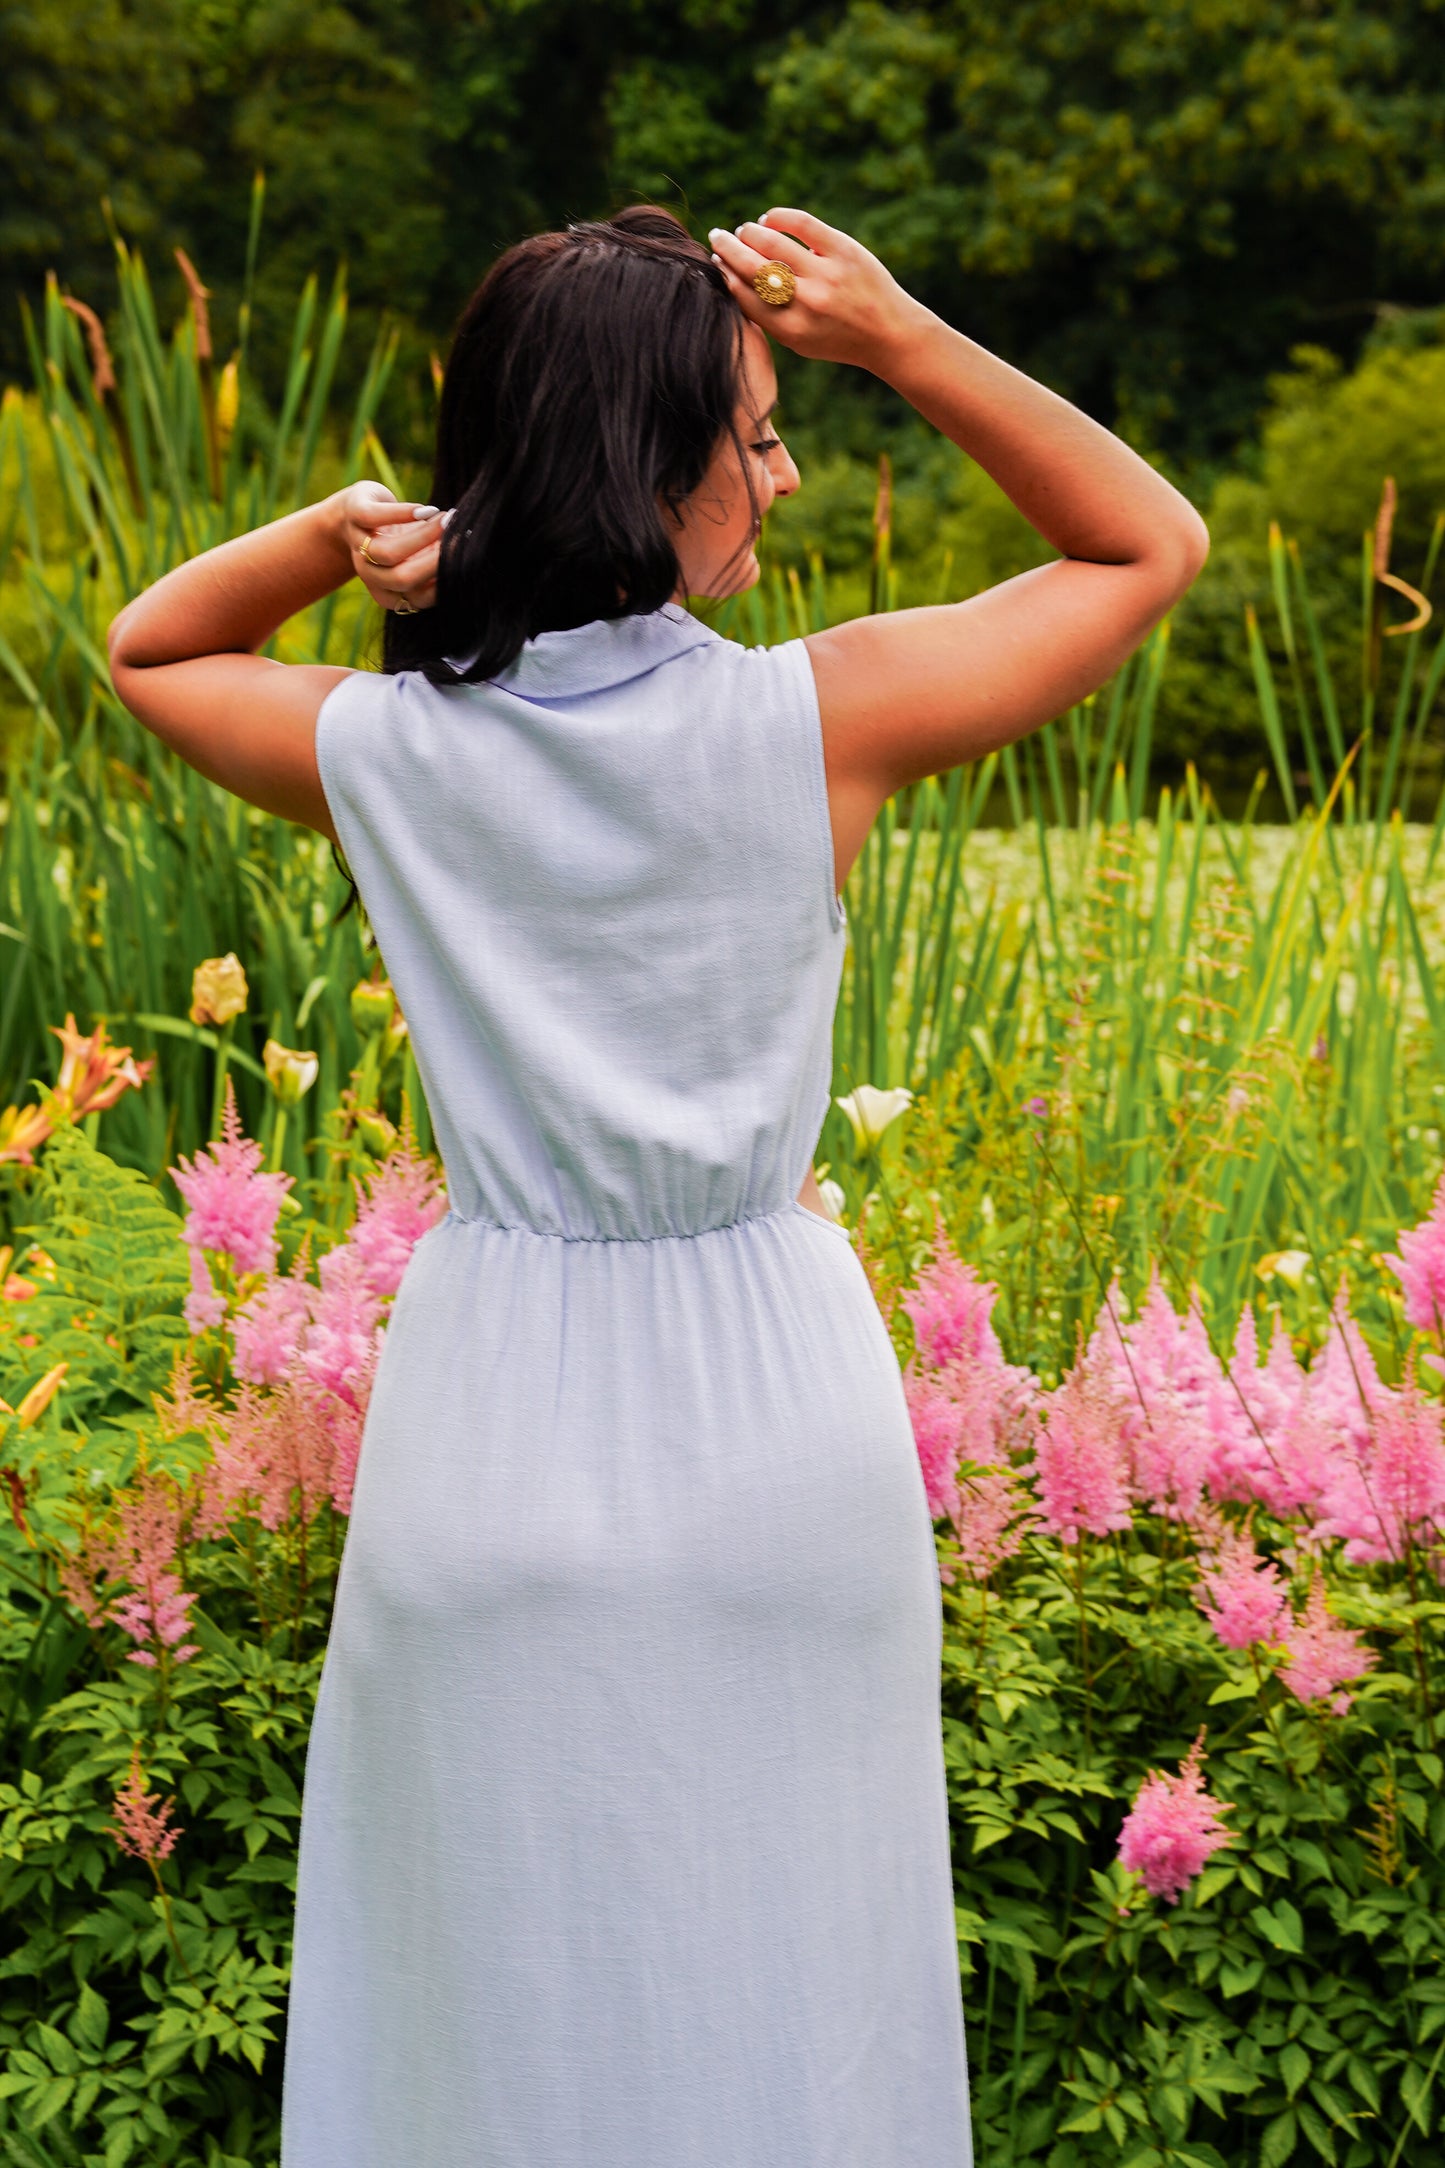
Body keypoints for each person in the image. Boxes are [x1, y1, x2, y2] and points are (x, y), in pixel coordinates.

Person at [108, 204, 1207, 2168]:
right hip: (771, 1419)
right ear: (653, 468)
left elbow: (153, 648)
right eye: (762, 433)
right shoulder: (825, 715)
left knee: (488, 2007)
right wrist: (902, 337)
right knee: (792, 1999)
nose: (779, 472)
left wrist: (345, 529)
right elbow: (1148, 543)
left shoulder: (390, 751)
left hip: (492, 1417)